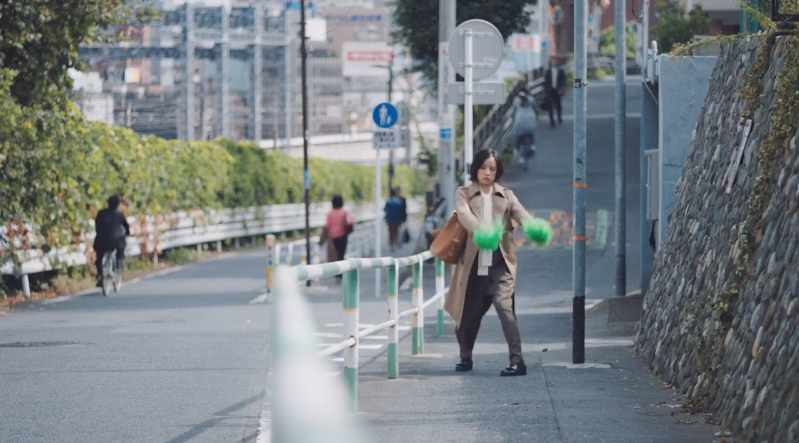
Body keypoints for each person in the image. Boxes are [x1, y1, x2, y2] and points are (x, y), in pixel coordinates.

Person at [443, 149, 533, 377]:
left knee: (506, 310)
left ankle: (517, 361)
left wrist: (534, 227)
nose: (487, 172)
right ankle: (465, 356)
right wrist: (482, 231)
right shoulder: (463, 193)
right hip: (472, 268)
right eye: (483, 167)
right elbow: (465, 216)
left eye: (492, 169)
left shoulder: (506, 195)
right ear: (476, 169)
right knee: (467, 316)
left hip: (500, 265)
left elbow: (522, 215)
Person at [93, 195, 130, 286]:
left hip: (101, 241)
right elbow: (126, 226)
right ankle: (118, 262)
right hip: (115, 242)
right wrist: (127, 233)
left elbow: (97, 225)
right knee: (121, 246)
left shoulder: (101, 213)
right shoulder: (119, 214)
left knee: (99, 256)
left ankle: (100, 275)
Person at [320, 195, 354, 283]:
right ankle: (341, 274)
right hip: (343, 236)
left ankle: (338, 274)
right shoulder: (345, 211)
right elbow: (351, 222)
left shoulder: (330, 213)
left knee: (335, 256)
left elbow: (327, 226)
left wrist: (323, 238)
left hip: (333, 237)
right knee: (341, 254)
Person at [513, 91, 538, 159]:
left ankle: (517, 149)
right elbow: (535, 109)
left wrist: (513, 118)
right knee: (531, 132)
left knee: (518, 134)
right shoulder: (531, 100)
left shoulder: (516, 101)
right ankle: (532, 145)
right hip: (530, 120)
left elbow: (514, 111)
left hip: (520, 121)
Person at [544, 58, 566, 127]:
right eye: (553, 61)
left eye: (556, 61)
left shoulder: (561, 71)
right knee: (550, 106)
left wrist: (561, 88)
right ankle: (551, 120)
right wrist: (546, 91)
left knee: (558, 104)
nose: (554, 62)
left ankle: (559, 117)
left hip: (557, 90)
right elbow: (546, 82)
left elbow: (563, 80)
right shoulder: (548, 71)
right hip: (550, 90)